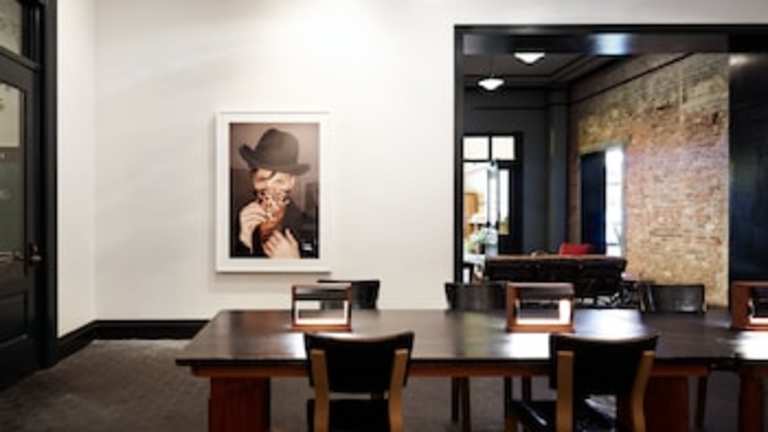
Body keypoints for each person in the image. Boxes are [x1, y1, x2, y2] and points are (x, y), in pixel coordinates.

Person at [232, 128, 318, 258]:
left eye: (279, 181)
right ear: (252, 179)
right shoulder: (236, 219)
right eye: (262, 179)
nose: (270, 190)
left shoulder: (311, 228)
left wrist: (295, 263)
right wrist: (244, 242)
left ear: (291, 182)